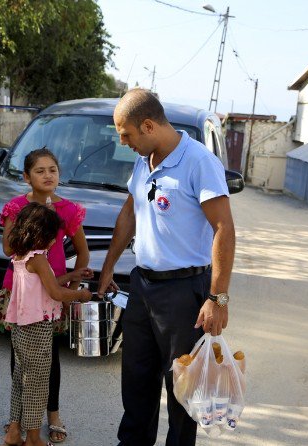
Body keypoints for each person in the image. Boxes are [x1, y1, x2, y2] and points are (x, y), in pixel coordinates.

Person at [97, 89, 235, 446]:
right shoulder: (145, 159)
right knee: (137, 379)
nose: (123, 141)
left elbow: (223, 227)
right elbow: (130, 212)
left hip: (183, 294)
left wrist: (218, 298)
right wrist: (109, 267)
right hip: (143, 287)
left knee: (182, 388)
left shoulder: (199, 162)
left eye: (125, 134)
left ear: (148, 125)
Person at [0, 147, 93, 443]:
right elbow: (8, 249)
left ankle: (53, 415)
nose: (47, 175)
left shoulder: (69, 210)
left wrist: (70, 287)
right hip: (20, 290)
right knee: (20, 358)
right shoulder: (16, 206)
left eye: (52, 170)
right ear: (26, 177)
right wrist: (33, 221)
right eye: (39, 171)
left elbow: (83, 253)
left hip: (53, 290)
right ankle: (17, 423)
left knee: (50, 359)